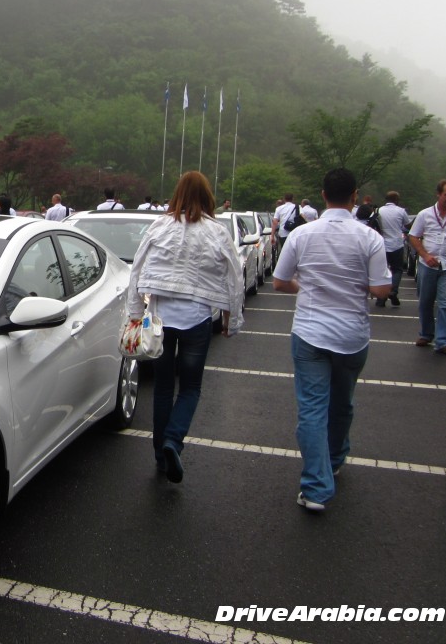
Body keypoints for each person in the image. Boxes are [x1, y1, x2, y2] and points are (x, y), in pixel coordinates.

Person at [273, 168, 391, 512]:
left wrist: (306, 286)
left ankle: (315, 488)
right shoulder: (369, 237)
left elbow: (280, 282)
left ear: (323, 195)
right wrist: (356, 284)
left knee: (311, 409)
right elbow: (382, 288)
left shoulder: (302, 234)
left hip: (310, 331)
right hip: (353, 335)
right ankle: (336, 458)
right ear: (355, 196)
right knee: (342, 403)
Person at [124, 171, 244, 484]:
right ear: (208, 197)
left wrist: (135, 312)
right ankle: (173, 441)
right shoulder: (216, 232)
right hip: (197, 321)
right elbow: (235, 276)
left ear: (177, 194)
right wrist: (233, 318)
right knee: (190, 387)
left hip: (160, 321)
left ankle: (159, 456)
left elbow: (137, 269)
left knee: (163, 387)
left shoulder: (159, 225)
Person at [408, 179, 446, 355]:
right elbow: (413, 236)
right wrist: (425, 255)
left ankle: (444, 341)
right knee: (425, 301)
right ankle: (426, 333)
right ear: (438, 194)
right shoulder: (425, 215)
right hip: (427, 264)